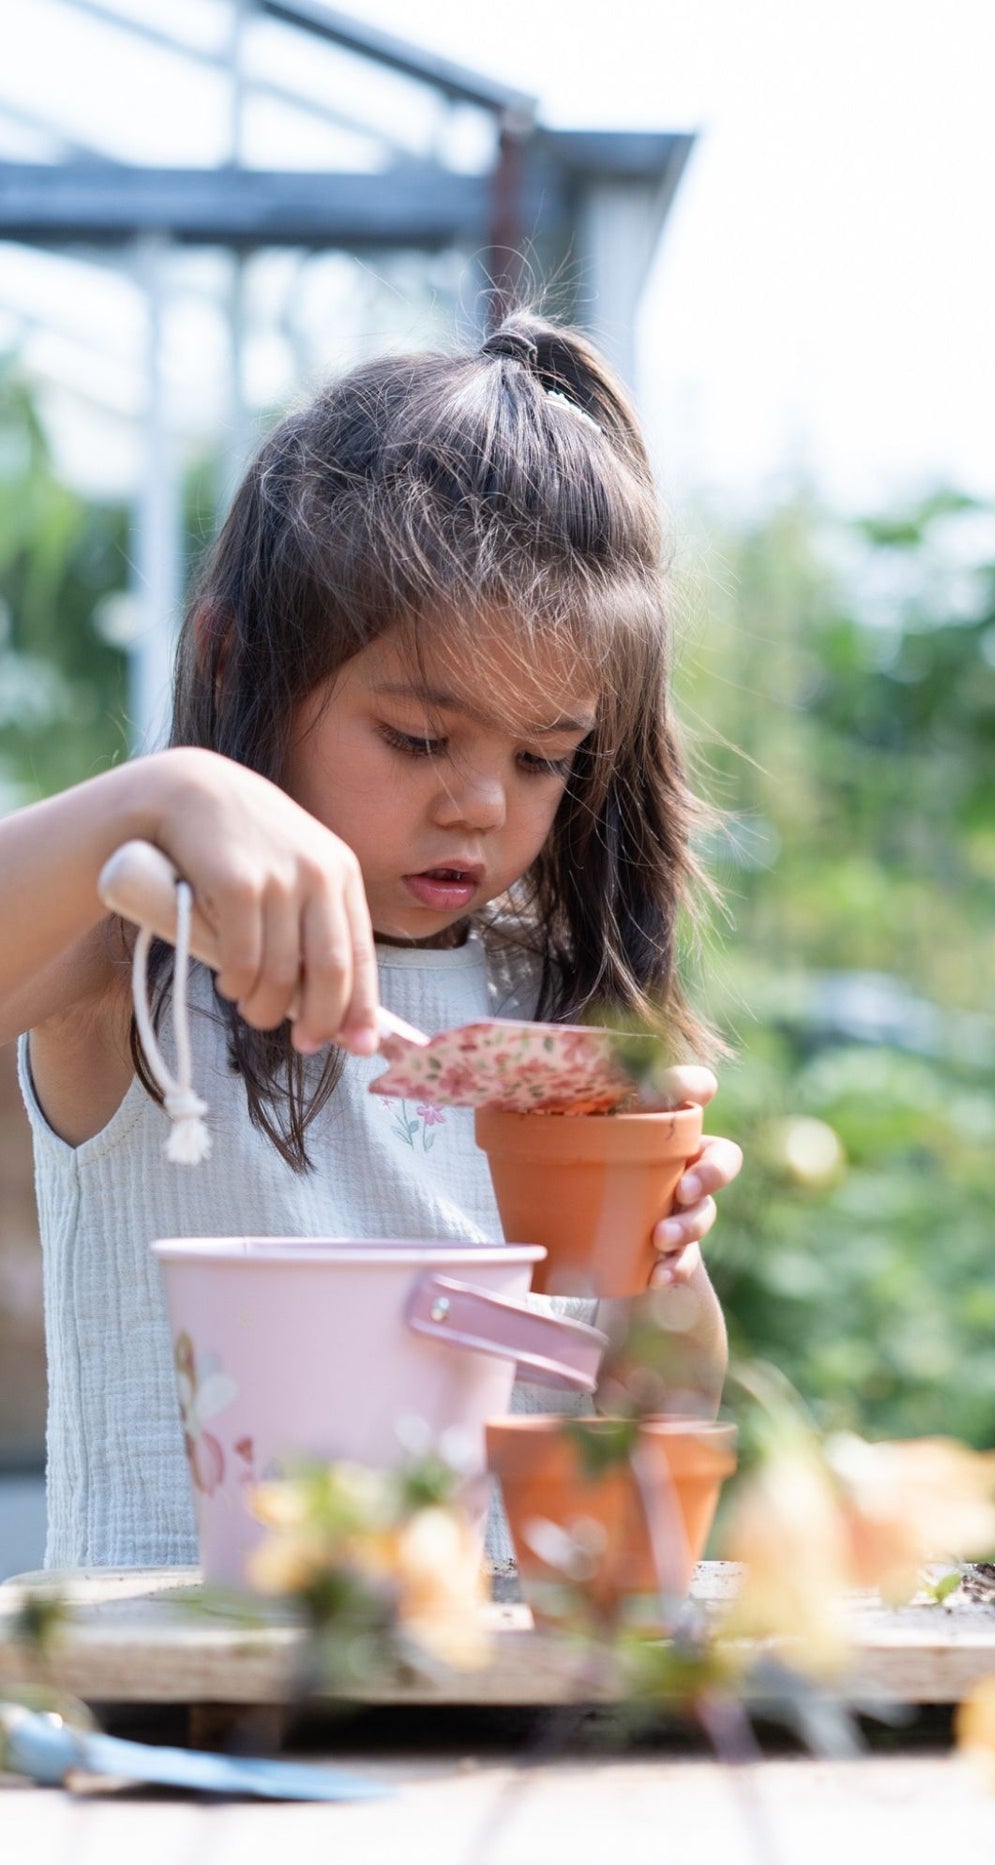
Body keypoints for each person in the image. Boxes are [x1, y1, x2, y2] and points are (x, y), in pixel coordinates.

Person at [2, 314, 740, 1570]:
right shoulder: (143, 948)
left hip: (481, 1674)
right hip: (176, 1674)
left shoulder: (550, 1010)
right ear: (234, 662)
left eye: (544, 758)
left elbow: (650, 1422)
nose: (481, 805)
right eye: (418, 739)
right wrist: (162, 796)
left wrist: (661, 1264)